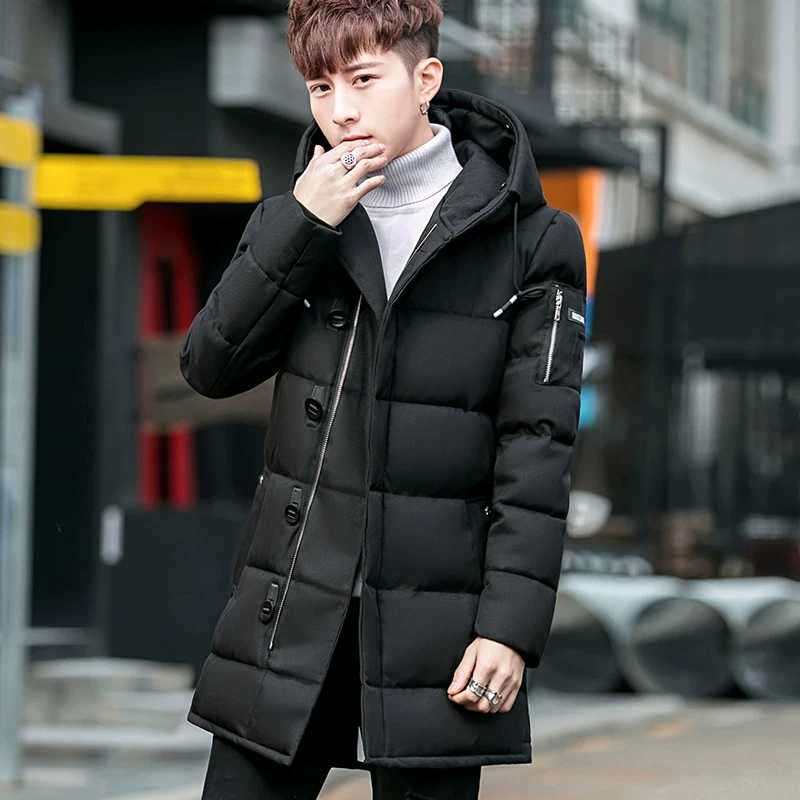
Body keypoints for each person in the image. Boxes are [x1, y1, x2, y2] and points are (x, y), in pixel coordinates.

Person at [180, 1, 587, 797]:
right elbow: (210, 366)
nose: (340, 109)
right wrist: (304, 225)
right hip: (291, 612)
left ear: (425, 78)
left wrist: (508, 629)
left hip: (437, 628)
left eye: (363, 80)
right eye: (320, 87)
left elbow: (537, 448)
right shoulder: (293, 219)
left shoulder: (530, 240)